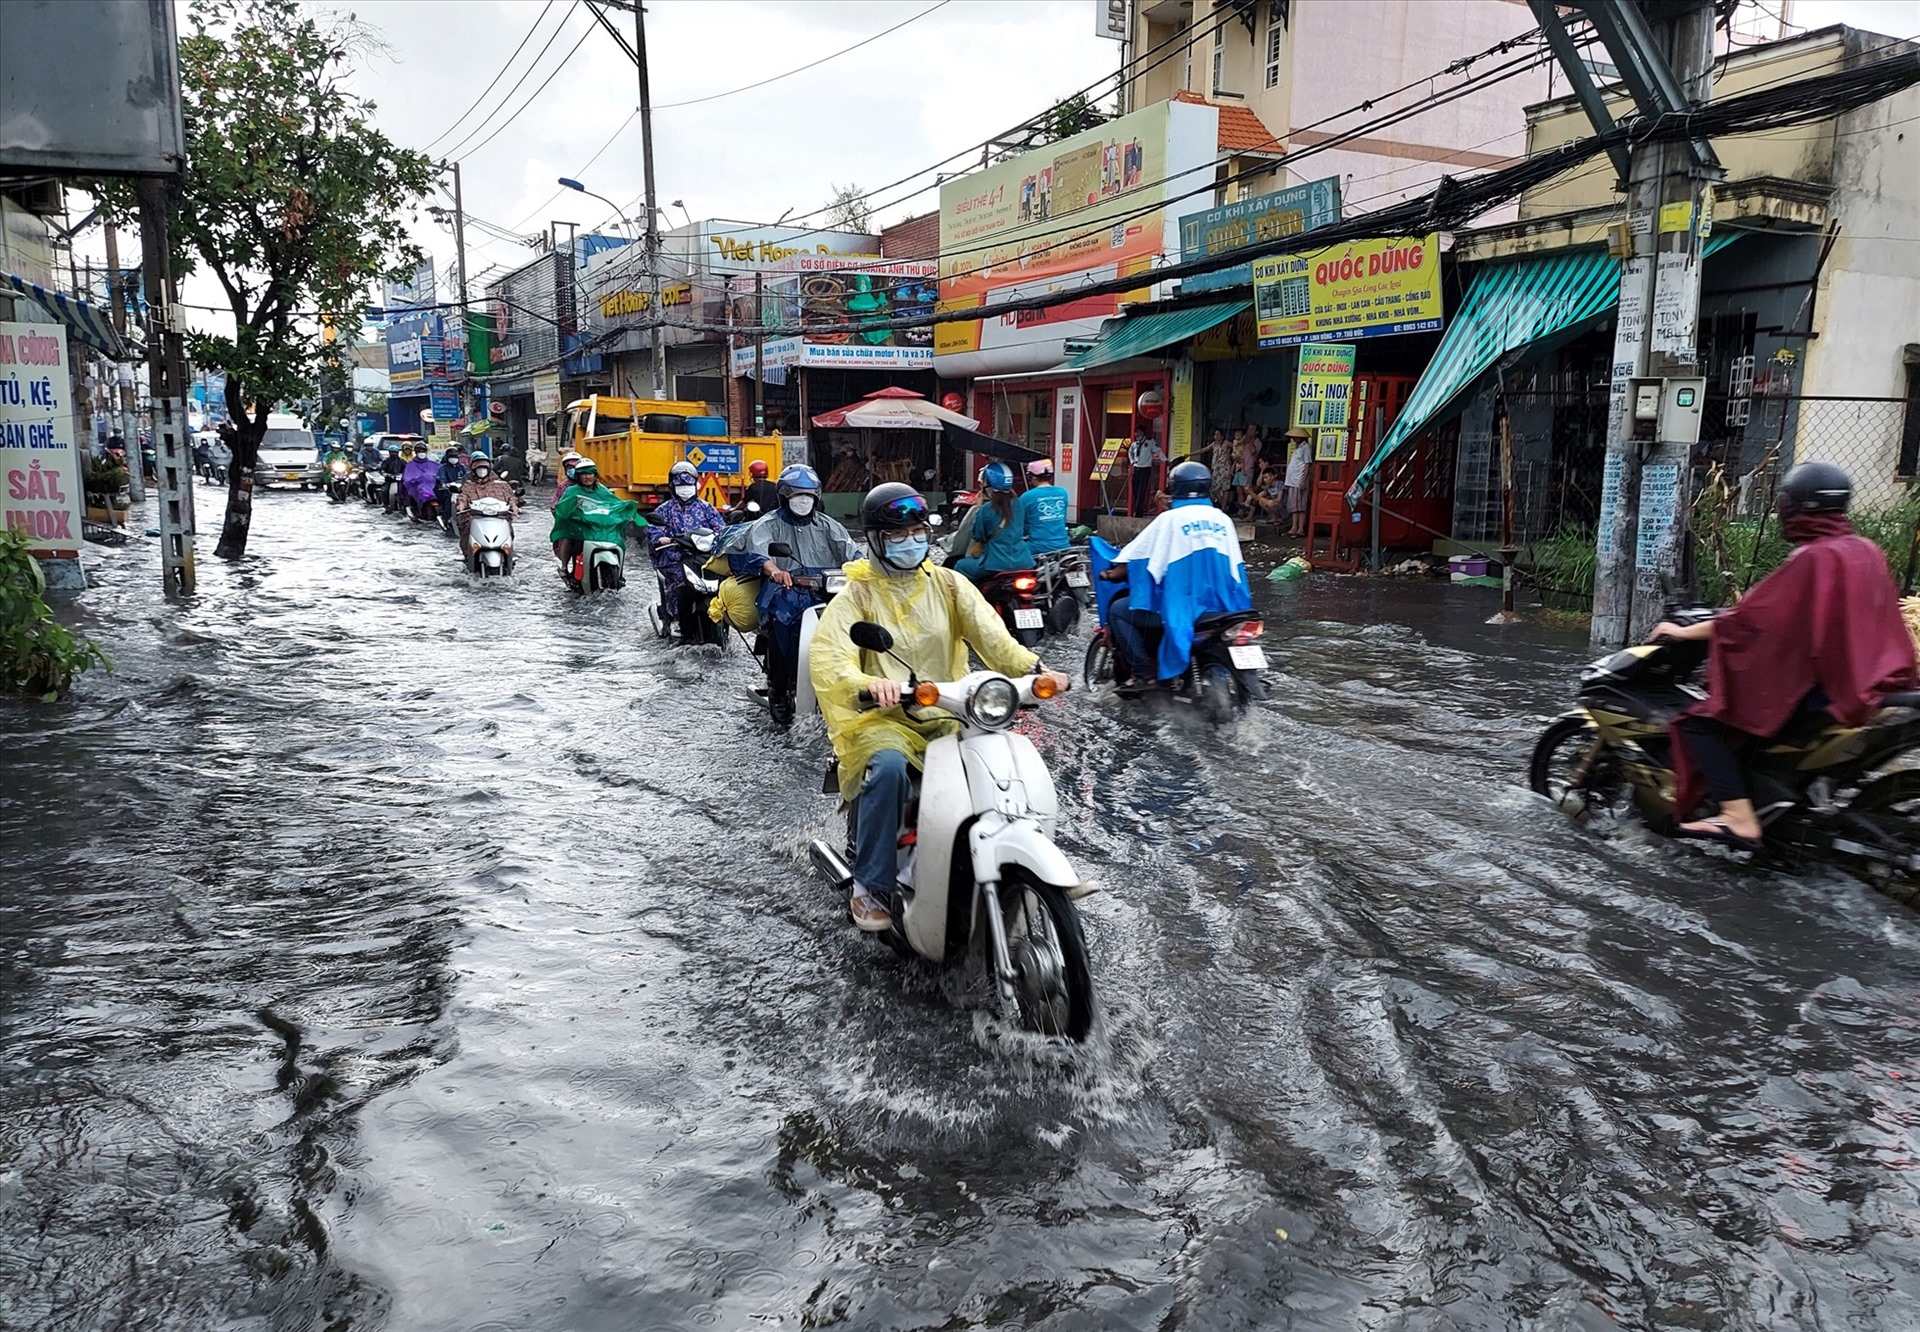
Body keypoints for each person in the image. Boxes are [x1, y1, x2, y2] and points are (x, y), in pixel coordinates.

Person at [809, 481, 1072, 931]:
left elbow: (993, 637)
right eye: (896, 536)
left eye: (916, 532)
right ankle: (871, 886)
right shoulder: (857, 595)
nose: (910, 542)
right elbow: (830, 659)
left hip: (952, 710)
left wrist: (1036, 669)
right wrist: (870, 684)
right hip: (887, 718)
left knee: (1002, 768)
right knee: (890, 769)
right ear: (874, 540)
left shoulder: (951, 585)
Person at [1654, 462, 1918, 848]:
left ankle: (1737, 816)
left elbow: (1752, 623)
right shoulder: (1865, 550)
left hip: (1831, 693)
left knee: (1701, 722)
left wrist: (1682, 631)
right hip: (1874, 680)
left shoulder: (1813, 559)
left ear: (1797, 509)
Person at [1102, 460, 1254, 691]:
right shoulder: (1223, 519)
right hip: (1225, 606)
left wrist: (1112, 574)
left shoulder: (1169, 519)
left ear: (1176, 487)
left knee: (1118, 612)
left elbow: (1139, 558)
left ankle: (1144, 675)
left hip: (1185, 606)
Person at [732, 464, 862, 721]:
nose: (803, 502)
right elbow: (759, 553)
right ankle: (779, 690)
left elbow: (851, 552)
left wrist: (864, 569)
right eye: (797, 496)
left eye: (808, 496)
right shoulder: (768, 523)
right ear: (785, 496)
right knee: (782, 623)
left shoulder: (828, 525)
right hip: (785, 589)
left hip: (824, 589)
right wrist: (774, 570)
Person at [648, 461, 728, 640]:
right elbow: (654, 530)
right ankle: (676, 617)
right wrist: (662, 538)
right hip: (676, 557)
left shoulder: (706, 508)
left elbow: (721, 528)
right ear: (672, 486)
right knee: (679, 580)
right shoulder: (665, 510)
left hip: (705, 557)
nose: (685, 489)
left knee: (725, 579)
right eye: (681, 485)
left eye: (688, 485)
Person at [548, 458, 642, 573]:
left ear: (595, 475)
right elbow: (562, 508)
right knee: (568, 538)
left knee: (618, 540)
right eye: (584, 474)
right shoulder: (571, 491)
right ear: (579, 476)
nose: (587, 477)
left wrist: (628, 513)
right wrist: (570, 515)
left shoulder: (602, 490)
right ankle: (564, 567)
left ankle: (619, 573)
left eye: (590, 473)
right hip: (579, 527)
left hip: (597, 527)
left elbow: (616, 503)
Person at [955, 461, 1033, 583]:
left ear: (987, 484)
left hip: (994, 563)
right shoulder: (1019, 504)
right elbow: (1024, 528)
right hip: (1023, 561)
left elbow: (978, 536)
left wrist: (977, 507)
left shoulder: (986, 509)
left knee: (960, 566)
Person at [454, 452, 521, 556]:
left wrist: (514, 506)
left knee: (509, 529)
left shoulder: (500, 485)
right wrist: (461, 506)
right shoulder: (468, 485)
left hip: (499, 517)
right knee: (467, 529)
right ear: (474, 469)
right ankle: (468, 555)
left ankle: (509, 553)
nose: (481, 471)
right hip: (474, 517)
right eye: (479, 468)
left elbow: (511, 497)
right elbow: (463, 497)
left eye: (484, 468)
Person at [1018, 458, 1072, 557]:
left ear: (1033, 477)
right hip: (1063, 545)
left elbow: (1019, 522)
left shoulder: (1027, 496)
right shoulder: (1062, 493)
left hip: (1037, 547)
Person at [1128, 422, 1165, 517]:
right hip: (1136, 469)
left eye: (1138, 432)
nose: (1136, 434)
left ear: (1142, 432)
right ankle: (1138, 508)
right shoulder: (1134, 444)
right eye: (1135, 432)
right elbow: (1130, 452)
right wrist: (1132, 461)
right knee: (1135, 491)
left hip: (1145, 469)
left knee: (1141, 491)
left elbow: (1158, 451)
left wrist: (1165, 460)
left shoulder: (1149, 442)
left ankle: (1138, 512)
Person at [1282, 426, 1312, 537]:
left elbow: (1307, 465)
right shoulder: (1297, 448)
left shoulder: (1306, 448)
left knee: (1301, 506)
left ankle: (1300, 528)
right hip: (1292, 480)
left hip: (1299, 480)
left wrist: (1303, 480)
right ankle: (1294, 526)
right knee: (1294, 506)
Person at [402, 444, 441, 514]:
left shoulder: (433, 464)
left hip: (433, 488)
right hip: (419, 488)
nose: (422, 453)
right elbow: (407, 478)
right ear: (416, 452)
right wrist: (415, 480)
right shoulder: (410, 464)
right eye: (419, 451)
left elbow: (440, 473)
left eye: (423, 451)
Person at [1207, 428, 1234, 507]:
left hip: (1225, 469)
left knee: (1225, 489)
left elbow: (1236, 448)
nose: (1216, 436)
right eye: (1215, 434)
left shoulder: (1226, 443)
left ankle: (1223, 507)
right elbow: (1203, 450)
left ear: (1222, 436)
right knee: (1214, 488)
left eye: (1218, 434)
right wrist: (1190, 454)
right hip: (1216, 469)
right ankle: (1224, 504)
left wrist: (1234, 459)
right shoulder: (1214, 444)